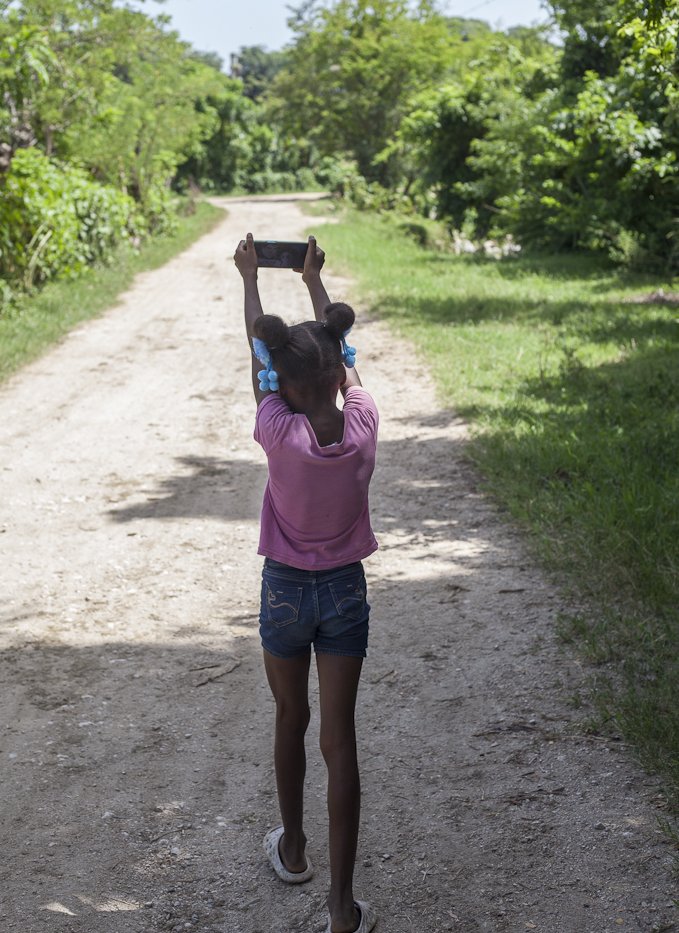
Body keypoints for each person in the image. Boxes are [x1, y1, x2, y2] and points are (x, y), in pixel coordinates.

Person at [234, 233, 378, 933]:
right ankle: (341, 908)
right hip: (345, 591)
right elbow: (345, 361)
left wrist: (250, 282)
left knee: (290, 718)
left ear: (281, 386)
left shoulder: (274, 427)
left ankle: (291, 850)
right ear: (333, 378)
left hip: (285, 589)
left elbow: (262, 360)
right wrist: (316, 286)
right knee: (340, 740)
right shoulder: (363, 423)